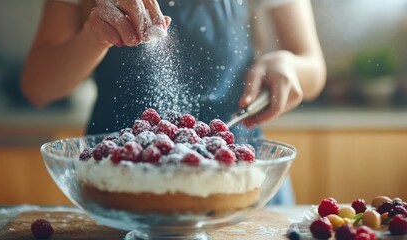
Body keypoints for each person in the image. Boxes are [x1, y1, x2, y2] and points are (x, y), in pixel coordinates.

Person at [21, 0, 326, 205]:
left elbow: (313, 68)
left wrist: (289, 66)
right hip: (117, 189)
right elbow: (39, 87)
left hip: (240, 186)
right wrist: (95, 35)